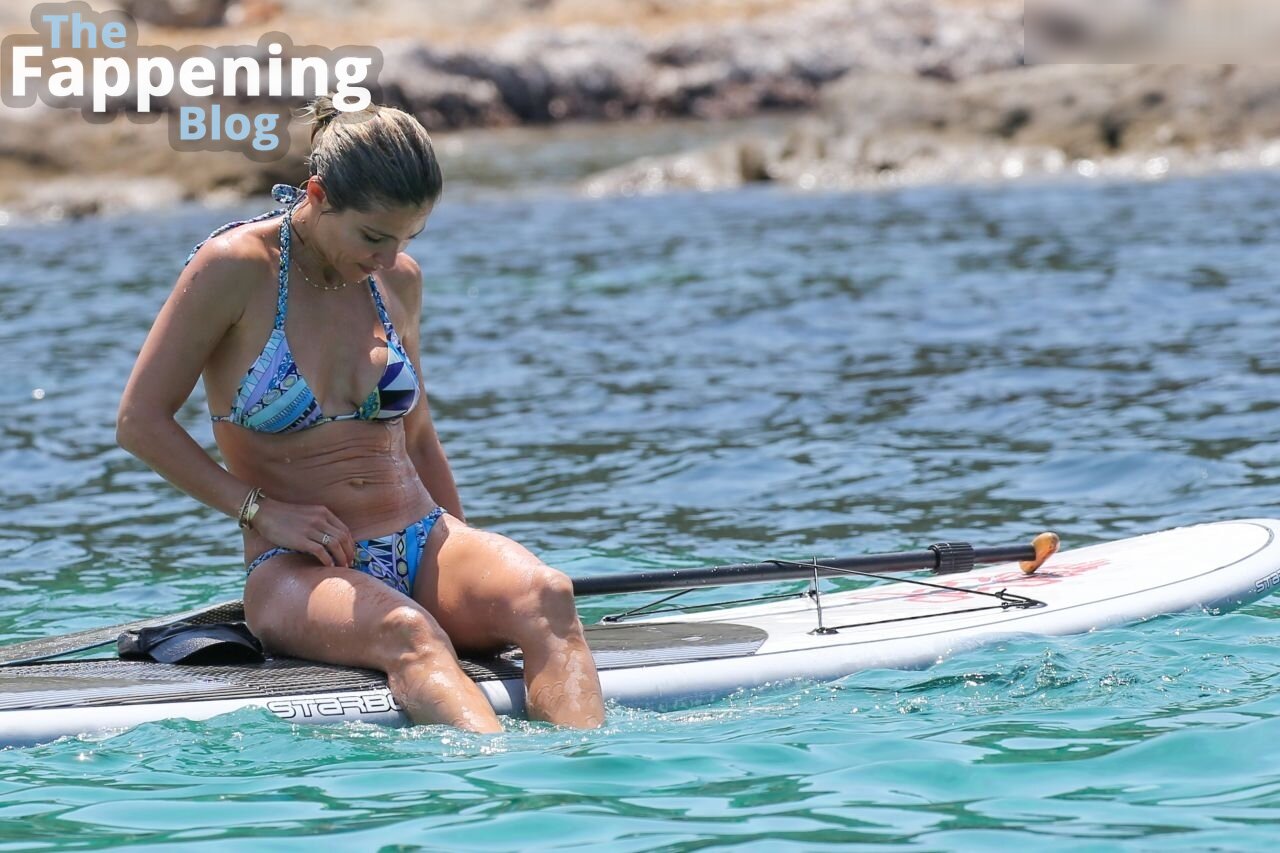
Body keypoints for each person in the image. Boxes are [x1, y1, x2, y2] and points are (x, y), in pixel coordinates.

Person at [116, 96, 606, 732]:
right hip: (299, 571)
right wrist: (260, 511)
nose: (389, 257)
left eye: (407, 237)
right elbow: (140, 422)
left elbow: (418, 435)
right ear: (318, 194)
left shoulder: (397, 279)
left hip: (423, 537)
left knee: (548, 596)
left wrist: (466, 558)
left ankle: (584, 776)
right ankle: (497, 782)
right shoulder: (235, 267)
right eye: (374, 236)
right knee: (409, 631)